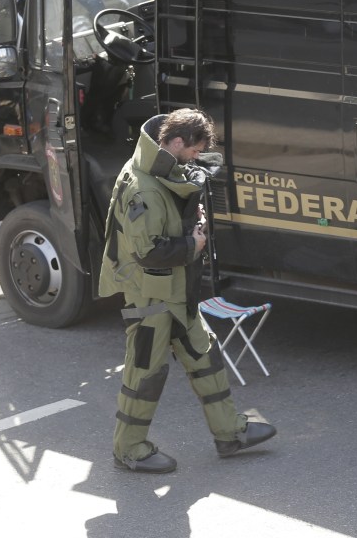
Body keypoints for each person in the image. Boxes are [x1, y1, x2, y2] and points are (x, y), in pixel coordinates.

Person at [100, 109, 276, 473]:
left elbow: (167, 217)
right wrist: (192, 245)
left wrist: (192, 224)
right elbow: (147, 250)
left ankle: (229, 434)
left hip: (176, 291)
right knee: (144, 373)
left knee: (205, 355)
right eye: (194, 150)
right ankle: (129, 449)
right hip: (151, 296)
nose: (197, 157)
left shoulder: (159, 165)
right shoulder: (142, 186)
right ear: (176, 142)